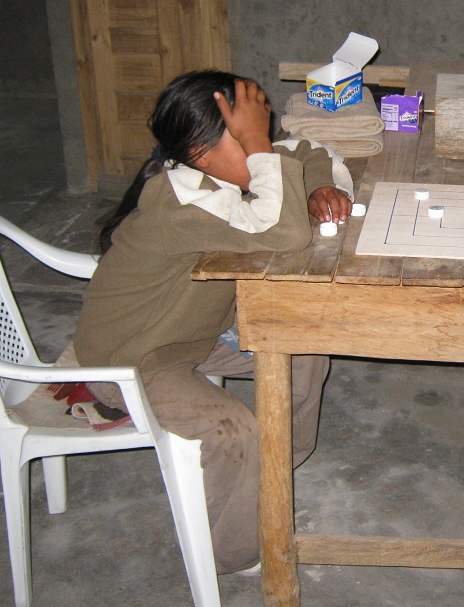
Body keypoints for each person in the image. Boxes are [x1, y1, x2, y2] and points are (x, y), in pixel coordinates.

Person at [70, 70, 354, 574]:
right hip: (133, 359)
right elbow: (285, 234)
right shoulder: (182, 203)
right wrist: (263, 152)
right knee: (234, 431)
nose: (263, 145)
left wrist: (319, 185)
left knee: (303, 346)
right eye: (248, 137)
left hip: (191, 335)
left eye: (260, 128)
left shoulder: (224, 168)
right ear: (201, 155)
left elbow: (308, 151)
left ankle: (272, 473)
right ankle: (231, 553)